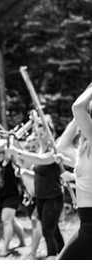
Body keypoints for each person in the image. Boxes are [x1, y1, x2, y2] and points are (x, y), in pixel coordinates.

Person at [9, 119, 71, 259]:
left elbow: (42, 160)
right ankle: (63, 255)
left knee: (47, 230)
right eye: (38, 133)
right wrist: (25, 172)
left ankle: (52, 257)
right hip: (41, 197)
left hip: (53, 197)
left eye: (43, 133)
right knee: (53, 230)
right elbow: (39, 173)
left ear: (50, 134)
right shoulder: (39, 149)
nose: (39, 136)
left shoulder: (54, 150)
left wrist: (18, 151)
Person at [56, 83, 92, 259]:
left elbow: (78, 107)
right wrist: (75, 120)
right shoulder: (85, 150)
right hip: (86, 221)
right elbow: (61, 146)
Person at [0, 139, 25, 257]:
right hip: (3, 197)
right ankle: (22, 242)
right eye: (0, 151)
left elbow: (15, 152)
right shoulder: (1, 162)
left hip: (12, 196)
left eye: (3, 150)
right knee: (12, 221)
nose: (1, 152)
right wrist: (0, 143)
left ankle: (5, 250)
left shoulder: (13, 162)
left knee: (6, 220)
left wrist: (10, 142)